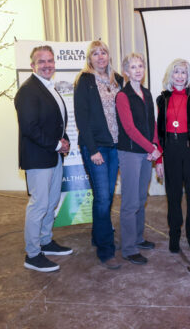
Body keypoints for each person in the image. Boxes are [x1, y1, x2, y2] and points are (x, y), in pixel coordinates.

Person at [15, 45, 73, 272]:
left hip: (53, 155)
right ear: (32, 65)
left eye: (50, 61)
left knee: (51, 202)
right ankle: (33, 253)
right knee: (38, 205)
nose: (47, 65)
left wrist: (64, 140)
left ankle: (46, 241)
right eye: (42, 61)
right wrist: (57, 144)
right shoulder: (28, 90)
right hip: (38, 157)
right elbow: (29, 127)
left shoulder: (49, 87)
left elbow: (57, 121)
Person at [74, 40, 123, 270]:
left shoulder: (118, 80)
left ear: (108, 55)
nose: (100, 57)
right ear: (89, 58)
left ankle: (97, 237)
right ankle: (106, 250)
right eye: (95, 54)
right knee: (103, 198)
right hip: (96, 148)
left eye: (103, 52)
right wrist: (92, 150)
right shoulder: (84, 81)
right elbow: (81, 118)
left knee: (105, 196)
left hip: (115, 146)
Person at [155, 59, 190, 253]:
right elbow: (158, 131)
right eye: (176, 72)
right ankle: (174, 236)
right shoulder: (163, 99)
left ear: (189, 76)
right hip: (170, 149)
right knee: (173, 195)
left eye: (183, 73)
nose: (179, 76)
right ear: (171, 75)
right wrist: (159, 159)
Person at [116, 52, 161, 265]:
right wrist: (150, 147)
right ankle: (129, 248)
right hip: (130, 153)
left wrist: (155, 147)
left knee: (141, 199)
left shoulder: (147, 93)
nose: (138, 70)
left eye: (140, 66)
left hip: (146, 152)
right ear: (126, 72)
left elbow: (151, 123)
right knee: (130, 202)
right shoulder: (122, 96)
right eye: (133, 67)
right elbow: (129, 128)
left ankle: (139, 238)